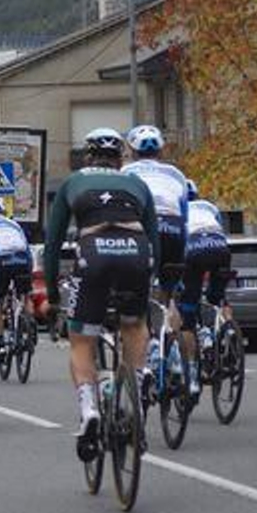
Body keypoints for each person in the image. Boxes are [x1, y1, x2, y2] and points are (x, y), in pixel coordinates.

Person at [44, 127, 159, 461]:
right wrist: (149, 284)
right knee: (134, 325)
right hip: (136, 252)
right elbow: (155, 241)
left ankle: (89, 410)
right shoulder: (137, 184)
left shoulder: (73, 181)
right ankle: (137, 399)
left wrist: (52, 295)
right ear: (121, 158)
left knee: (82, 339)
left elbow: (52, 245)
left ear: (88, 157)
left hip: (93, 252)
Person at [122, 124, 191, 291]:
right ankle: (171, 297)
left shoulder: (125, 171)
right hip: (173, 227)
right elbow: (185, 215)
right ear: (160, 151)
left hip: (141, 226)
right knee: (172, 280)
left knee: (132, 282)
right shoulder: (176, 173)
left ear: (132, 151)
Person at [179, 181, 232, 396]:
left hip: (193, 248)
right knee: (217, 297)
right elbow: (219, 228)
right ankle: (226, 329)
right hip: (220, 247)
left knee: (188, 309)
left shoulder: (179, 208)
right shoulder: (209, 206)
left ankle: (193, 372)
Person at [0, 196, 33, 349]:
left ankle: (1, 344)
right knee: (25, 295)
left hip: (1, 260)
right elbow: (26, 247)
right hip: (22, 259)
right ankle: (29, 325)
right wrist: (29, 269)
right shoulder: (14, 224)